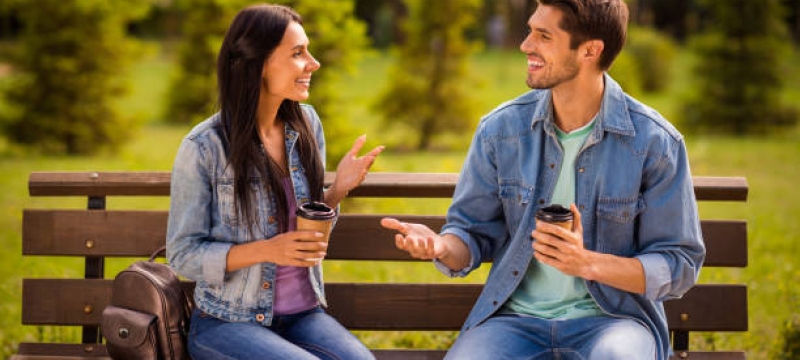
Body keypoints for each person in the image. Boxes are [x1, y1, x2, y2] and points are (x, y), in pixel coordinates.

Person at [381, 0, 704, 359]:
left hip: (616, 321)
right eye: (530, 30)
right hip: (514, 320)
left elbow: (678, 263)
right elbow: (471, 233)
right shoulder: (500, 130)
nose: (525, 45)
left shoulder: (654, 142)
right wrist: (443, 246)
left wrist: (586, 263)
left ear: (590, 51)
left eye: (543, 36)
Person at [167, 4, 382, 360]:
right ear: (260, 63)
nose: (313, 63)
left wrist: (338, 190)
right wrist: (268, 249)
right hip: (227, 323)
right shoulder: (204, 147)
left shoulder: (306, 125)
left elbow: (305, 229)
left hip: (302, 315)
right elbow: (183, 255)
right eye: (298, 53)